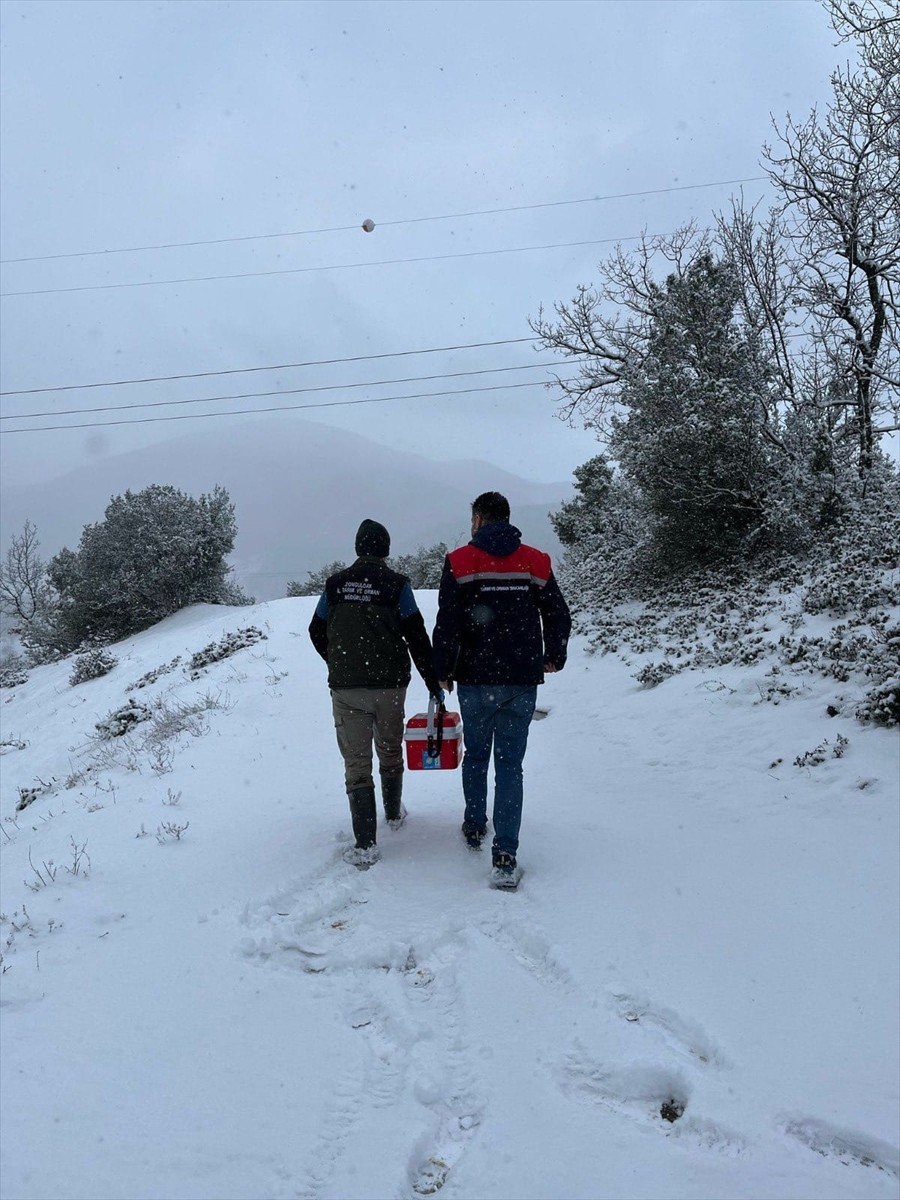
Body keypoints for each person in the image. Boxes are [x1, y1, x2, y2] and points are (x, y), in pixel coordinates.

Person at [432, 492, 571, 888]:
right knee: (510, 765)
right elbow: (558, 613)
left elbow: (448, 623)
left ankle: (475, 826)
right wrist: (553, 655)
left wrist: (442, 670)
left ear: (477, 519)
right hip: (521, 680)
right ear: (507, 520)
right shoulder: (536, 561)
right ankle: (506, 854)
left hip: (475, 680)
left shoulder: (459, 562)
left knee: (476, 756)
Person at [309, 519, 441, 868]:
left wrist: (338, 660)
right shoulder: (398, 585)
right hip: (390, 686)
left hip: (347, 688)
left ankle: (366, 845)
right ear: (385, 550)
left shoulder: (334, 585)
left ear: (357, 548)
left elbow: (316, 629)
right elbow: (416, 635)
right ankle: (394, 814)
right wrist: (432, 680)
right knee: (390, 749)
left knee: (356, 764)